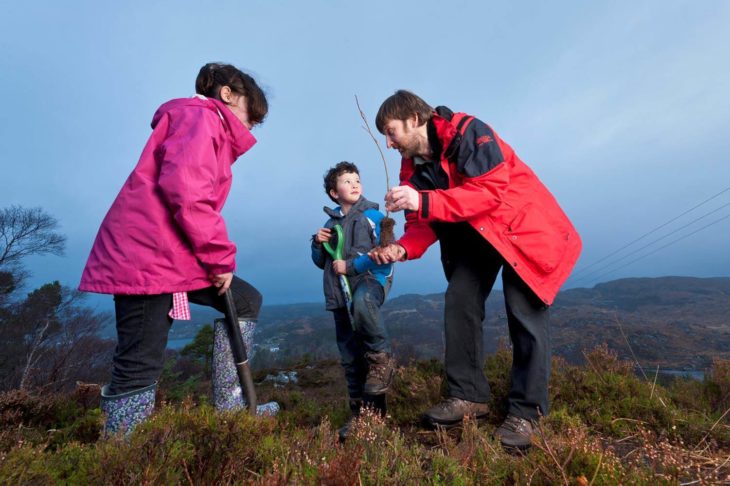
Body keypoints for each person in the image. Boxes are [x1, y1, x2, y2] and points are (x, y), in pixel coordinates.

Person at [369, 90, 582, 450]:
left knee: (523, 313)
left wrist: (423, 200)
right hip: (474, 235)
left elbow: (491, 192)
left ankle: (527, 414)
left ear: (415, 119)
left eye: (391, 132)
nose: (389, 144)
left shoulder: (469, 132)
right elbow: (424, 222)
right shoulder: (414, 169)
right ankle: (468, 396)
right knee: (460, 301)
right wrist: (401, 248)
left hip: (521, 230)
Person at [80, 63, 274, 435]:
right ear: (228, 94)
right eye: (253, 112)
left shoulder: (204, 124)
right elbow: (187, 192)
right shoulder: (200, 118)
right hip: (148, 260)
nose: (254, 124)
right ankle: (123, 449)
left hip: (173, 260)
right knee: (140, 360)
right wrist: (219, 257)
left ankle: (232, 408)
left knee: (245, 300)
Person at [311, 161, 395, 442]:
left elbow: (382, 251)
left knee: (363, 308)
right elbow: (320, 261)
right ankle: (363, 417)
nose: (355, 184)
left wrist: (350, 266)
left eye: (357, 179)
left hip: (369, 281)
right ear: (334, 193)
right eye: (347, 181)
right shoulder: (329, 224)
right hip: (338, 292)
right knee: (350, 356)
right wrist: (316, 243)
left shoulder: (372, 214)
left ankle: (382, 359)